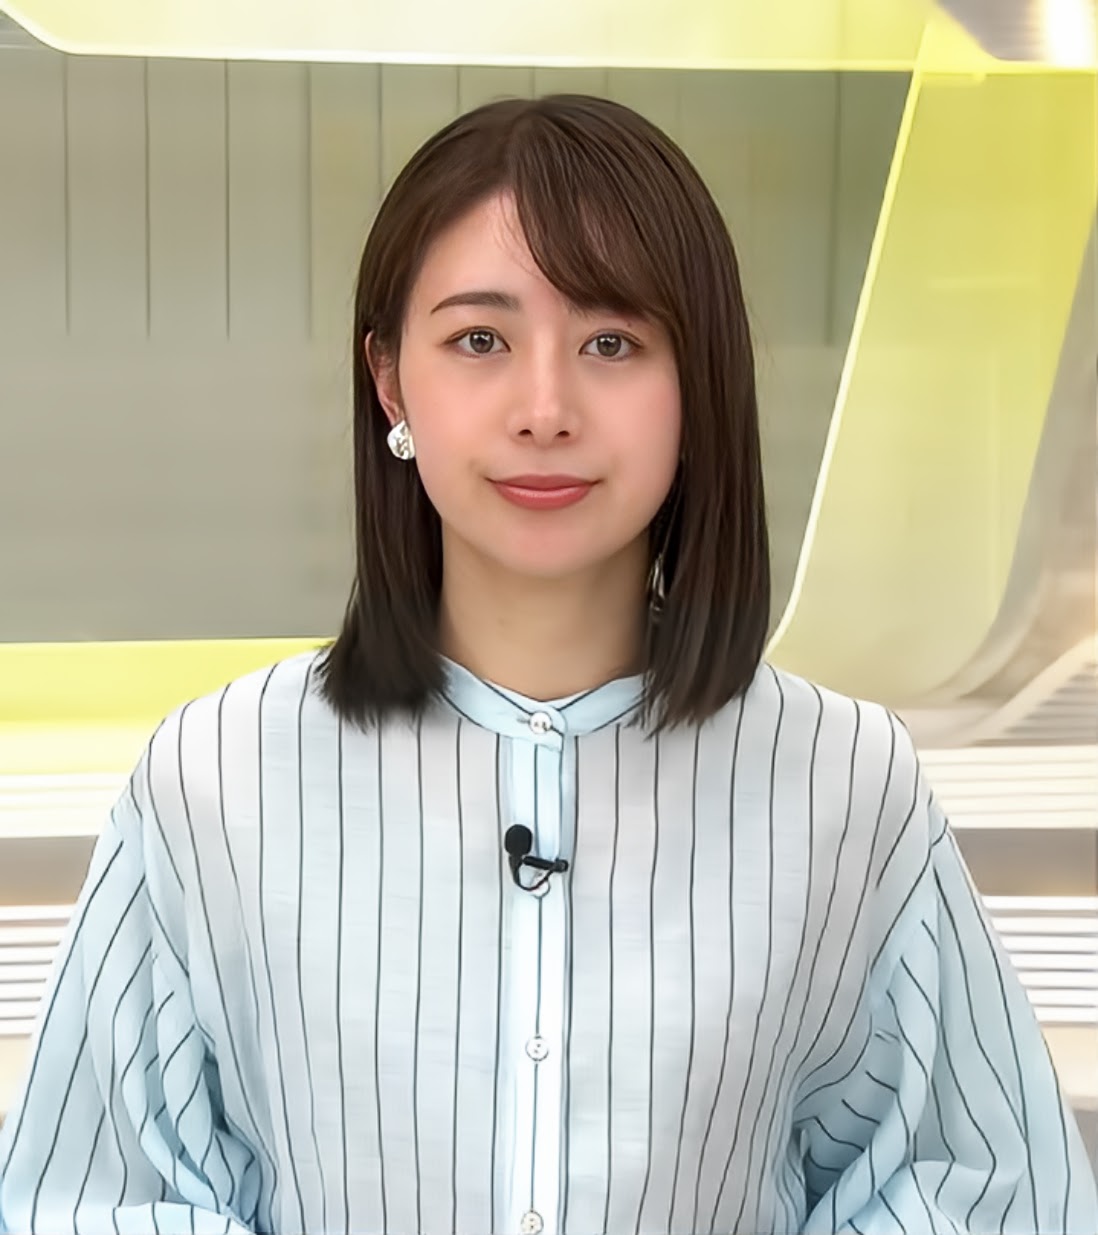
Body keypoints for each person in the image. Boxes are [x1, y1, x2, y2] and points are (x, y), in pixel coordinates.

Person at [0, 93, 1094, 1235]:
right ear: (390, 380)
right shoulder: (213, 778)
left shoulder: (847, 782)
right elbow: (96, 1199)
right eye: (480, 340)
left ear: (699, 383)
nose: (545, 409)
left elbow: (983, 1191)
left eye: (611, 343)